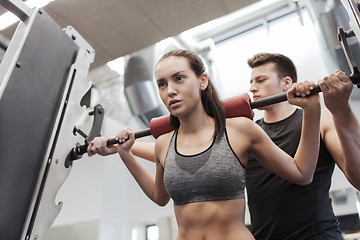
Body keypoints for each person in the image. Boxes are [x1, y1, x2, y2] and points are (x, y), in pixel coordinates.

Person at [88, 49, 321, 240]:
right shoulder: (163, 143)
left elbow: (302, 173)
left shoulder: (240, 129)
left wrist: (312, 111)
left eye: (179, 78)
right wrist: (125, 153)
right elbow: (160, 197)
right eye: (161, 84)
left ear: (202, 81)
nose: (170, 90)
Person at [246, 52, 360, 240]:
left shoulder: (321, 119)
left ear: (286, 82)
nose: (252, 87)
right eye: (251, 81)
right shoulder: (250, 134)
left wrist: (341, 109)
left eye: (260, 80)